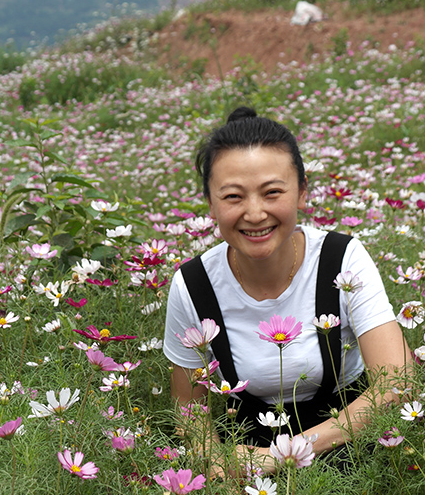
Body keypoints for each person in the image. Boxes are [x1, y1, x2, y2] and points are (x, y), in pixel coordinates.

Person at [163, 106, 410, 474]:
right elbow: (188, 409)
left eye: (272, 192)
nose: (255, 213)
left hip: (351, 432)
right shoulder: (193, 284)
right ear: (210, 204)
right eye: (233, 197)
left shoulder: (341, 259)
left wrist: (285, 455)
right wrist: (216, 464)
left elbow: (396, 384)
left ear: (302, 192)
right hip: (246, 444)